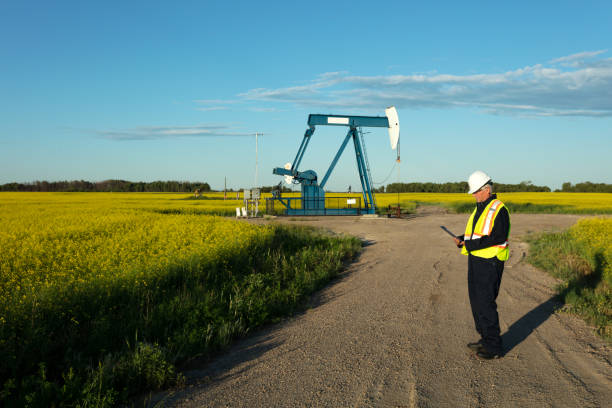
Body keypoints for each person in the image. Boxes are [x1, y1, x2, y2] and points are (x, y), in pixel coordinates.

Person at [453, 170, 510, 360]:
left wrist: (471, 244)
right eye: (473, 192)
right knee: (476, 302)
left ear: (487, 189)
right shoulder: (480, 207)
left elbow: (498, 236)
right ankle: (485, 339)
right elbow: (478, 234)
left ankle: (494, 347)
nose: (474, 195)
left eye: (477, 191)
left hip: (490, 262)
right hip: (476, 259)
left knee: (485, 303)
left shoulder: (497, 208)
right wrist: (463, 239)